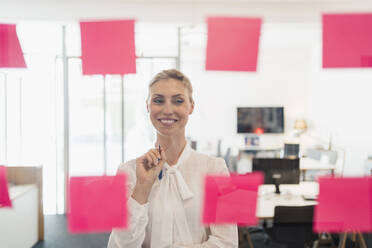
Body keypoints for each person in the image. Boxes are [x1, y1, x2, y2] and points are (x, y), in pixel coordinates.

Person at [108, 69, 238, 248]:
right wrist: (142, 188)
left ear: (191, 106)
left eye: (178, 101)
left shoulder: (214, 169)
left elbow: (227, 243)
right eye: (158, 100)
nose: (168, 110)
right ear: (147, 106)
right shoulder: (128, 172)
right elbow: (121, 244)